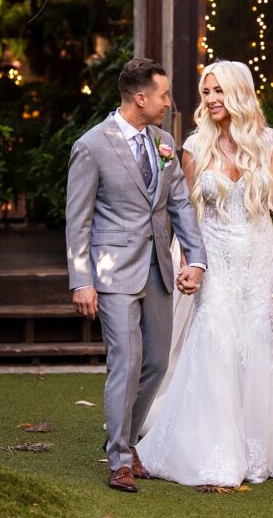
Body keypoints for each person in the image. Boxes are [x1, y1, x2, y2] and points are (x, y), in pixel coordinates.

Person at [135, 60, 273, 487]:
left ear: (239, 93)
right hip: (214, 256)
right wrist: (189, 261)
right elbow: (185, 212)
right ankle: (215, 450)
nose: (211, 100)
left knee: (259, 341)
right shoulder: (193, 146)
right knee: (216, 338)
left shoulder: (269, 142)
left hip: (260, 255)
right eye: (206, 92)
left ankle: (261, 446)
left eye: (219, 91)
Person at [65, 57, 208, 493]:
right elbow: (78, 220)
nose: (169, 103)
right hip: (112, 276)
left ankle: (128, 439)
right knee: (125, 363)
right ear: (140, 98)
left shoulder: (164, 141)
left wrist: (196, 260)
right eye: (163, 96)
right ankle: (121, 460)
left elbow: (179, 204)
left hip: (159, 271)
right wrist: (81, 280)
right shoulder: (91, 145)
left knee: (157, 362)